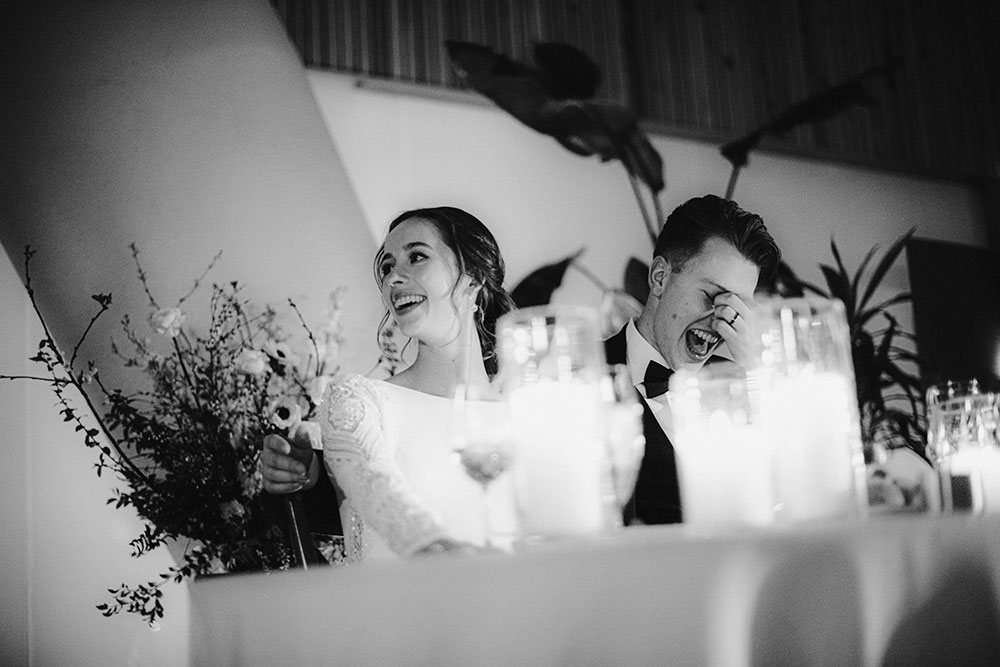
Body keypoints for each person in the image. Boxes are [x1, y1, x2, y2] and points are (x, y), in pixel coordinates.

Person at [261, 206, 517, 560]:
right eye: (386, 267)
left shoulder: (526, 413)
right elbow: (375, 487)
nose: (393, 278)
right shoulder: (360, 399)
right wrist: (438, 551)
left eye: (416, 257)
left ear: (472, 276)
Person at [606, 194, 780, 525]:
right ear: (659, 277)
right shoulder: (582, 381)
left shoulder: (746, 394)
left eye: (738, 307)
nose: (722, 321)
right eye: (713, 296)